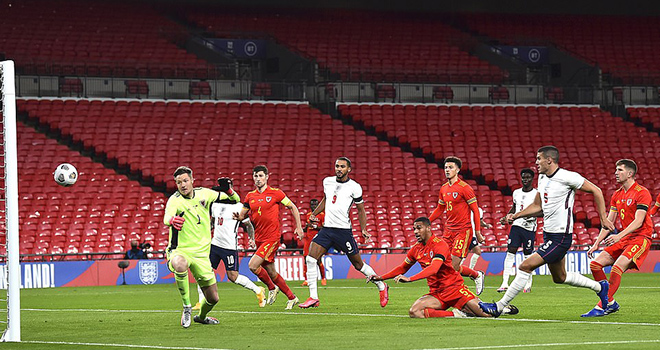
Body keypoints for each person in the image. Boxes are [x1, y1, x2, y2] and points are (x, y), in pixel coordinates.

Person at [479, 146, 615, 317]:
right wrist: (517, 215)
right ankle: (601, 287)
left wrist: (603, 217)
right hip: (549, 235)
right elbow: (538, 207)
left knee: (525, 266)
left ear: (549, 160)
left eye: (538, 159)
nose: (536, 162)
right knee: (560, 277)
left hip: (561, 236)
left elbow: (597, 190)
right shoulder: (542, 178)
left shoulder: (568, 177)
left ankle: (499, 306)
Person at [368, 217, 518, 318]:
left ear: (428, 228)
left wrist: (410, 279)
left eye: (418, 228)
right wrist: (380, 277)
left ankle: (502, 308)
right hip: (437, 294)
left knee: (487, 314)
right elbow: (402, 267)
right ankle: (458, 314)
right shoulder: (415, 249)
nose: (415, 232)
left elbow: (433, 269)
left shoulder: (440, 245)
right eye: (414, 229)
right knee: (414, 312)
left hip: (454, 289)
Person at [299, 157, 389, 308]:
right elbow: (325, 200)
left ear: (349, 169)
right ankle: (313, 297)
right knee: (310, 258)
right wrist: (315, 213)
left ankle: (381, 286)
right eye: (337, 166)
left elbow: (361, 210)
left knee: (358, 265)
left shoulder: (355, 187)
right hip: (327, 229)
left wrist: (364, 229)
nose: (339, 169)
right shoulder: (327, 181)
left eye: (342, 167)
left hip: (343, 231)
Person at [164, 166, 240, 328]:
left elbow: (235, 201)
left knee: (213, 298)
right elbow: (167, 217)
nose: (183, 185)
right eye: (179, 182)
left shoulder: (205, 194)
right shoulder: (174, 200)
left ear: (192, 180)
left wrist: (229, 190)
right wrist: (171, 221)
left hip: (202, 256)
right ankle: (186, 307)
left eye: (185, 181)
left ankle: (202, 317)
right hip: (180, 250)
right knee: (179, 264)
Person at [582, 159, 654, 317]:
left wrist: (618, 236)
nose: (616, 172)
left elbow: (639, 221)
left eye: (620, 170)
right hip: (624, 238)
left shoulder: (642, 192)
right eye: (616, 169)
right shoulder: (617, 194)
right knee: (595, 265)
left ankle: (602, 306)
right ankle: (611, 303)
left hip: (641, 237)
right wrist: (596, 243)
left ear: (630, 174)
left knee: (617, 268)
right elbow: (609, 222)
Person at [233, 165, 304, 310]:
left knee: (253, 265)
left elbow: (293, 207)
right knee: (271, 272)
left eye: (260, 176)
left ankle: (271, 288)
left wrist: (299, 226)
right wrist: (238, 217)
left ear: (266, 177)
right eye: (255, 176)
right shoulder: (250, 196)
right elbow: (243, 214)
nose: (257, 179)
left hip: (272, 238)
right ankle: (292, 297)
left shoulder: (276, 193)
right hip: (259, 238)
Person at [192, 178, 267, 311]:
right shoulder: (215, 205)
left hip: (229, 247)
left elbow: (249, 224)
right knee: (203, 272)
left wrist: (251, 238)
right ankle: (200, 301)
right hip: (214, 245)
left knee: (233, 276)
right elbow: (213, 223)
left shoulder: (239, 206)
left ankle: (258, 290)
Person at [428, 156, 485, 295]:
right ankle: (476, 275)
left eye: (451, 167)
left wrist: (477, 232)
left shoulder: (465, 188)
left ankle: (455, 292)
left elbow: (475, 210)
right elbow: (440, 209)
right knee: (442, 264)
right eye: (446, 167)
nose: (447, 170)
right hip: (448, 231)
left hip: (463, 231)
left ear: (458, 170)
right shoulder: (444, 189)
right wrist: (426, 222)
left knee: (453, 266)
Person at [497, 168, 539, 293]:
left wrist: (530, 216)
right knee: (511, 252)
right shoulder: (516, 193)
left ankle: (527, 284)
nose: (525, 180)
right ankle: (504, 283)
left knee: (527, 255)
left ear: (532, 179)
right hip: (517, 225)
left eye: (528, 177)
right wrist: (507, 217)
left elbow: (541, 210)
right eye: (523, 177)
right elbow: (514, 208)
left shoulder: (537, 194)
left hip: (529, 227)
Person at [301, 198, 327, 287]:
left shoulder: (322, 215)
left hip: (317, 239)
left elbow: (324, 228)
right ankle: (306, 280)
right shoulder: (308, 215)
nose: (314, 206)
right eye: (312, 205)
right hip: (308, 240)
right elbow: (306, 228)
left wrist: (315, 226)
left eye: (315, 205)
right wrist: (305, 227)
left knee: (318, 259)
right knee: (305, 260)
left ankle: (323, 278)